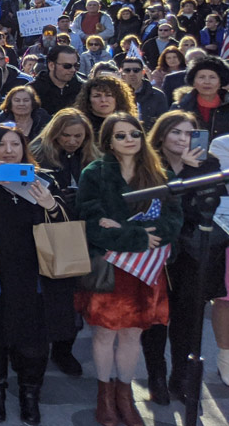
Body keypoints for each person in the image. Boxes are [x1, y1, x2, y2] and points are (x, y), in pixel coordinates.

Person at [0, 125, 73, 425]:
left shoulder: (44, 178)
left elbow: (66, 225)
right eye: (2, 144)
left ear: (24, 149)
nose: (8, 150)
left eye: (15, 144)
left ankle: (30, 394)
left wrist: (50, 204)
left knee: (34, 341)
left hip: (35, 276)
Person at [76, 112, 181, 426]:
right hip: (111, 267)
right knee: (105, 335)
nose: (129, 140)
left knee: (133, 335)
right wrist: (135, 235)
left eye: (134, 133)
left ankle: (126, 396)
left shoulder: (157, 171)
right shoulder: (94, 172)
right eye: (120, 135)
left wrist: (126, 230)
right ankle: (105, 397)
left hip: (147, 268)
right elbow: (91, 223)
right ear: (108, 140)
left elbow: (173, 220)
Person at [139, 111, 226, 406]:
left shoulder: (209, 164)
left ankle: (181, 377)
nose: (183, 139)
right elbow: (151, 207)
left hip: (191, 252)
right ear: (162, 134)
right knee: (155, 318)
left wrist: (189, 172)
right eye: (176, 132)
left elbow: (203, 209)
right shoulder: (147, 164)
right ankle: (156, 376)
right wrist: (177, 176)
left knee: (187, 320)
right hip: (155, 251)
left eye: (190, 133)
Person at [173, 56, 229, 138]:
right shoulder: (180, 106)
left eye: (212, 77)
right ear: (193, 82)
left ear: (220, 81)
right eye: (201, 77)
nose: (207, 82)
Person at [30, 45, 84, 115]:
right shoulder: (33, 90)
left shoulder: (83, 88)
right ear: (51, 65)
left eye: (76, 65)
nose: (73, 70)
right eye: (67, 66)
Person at [119, 57, 168, 129]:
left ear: (143, 72)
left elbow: (163, 123)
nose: (132, 73)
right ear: (122, 73)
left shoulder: (158, 95)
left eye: (136, 70)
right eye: (127, 70)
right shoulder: (116, 95)